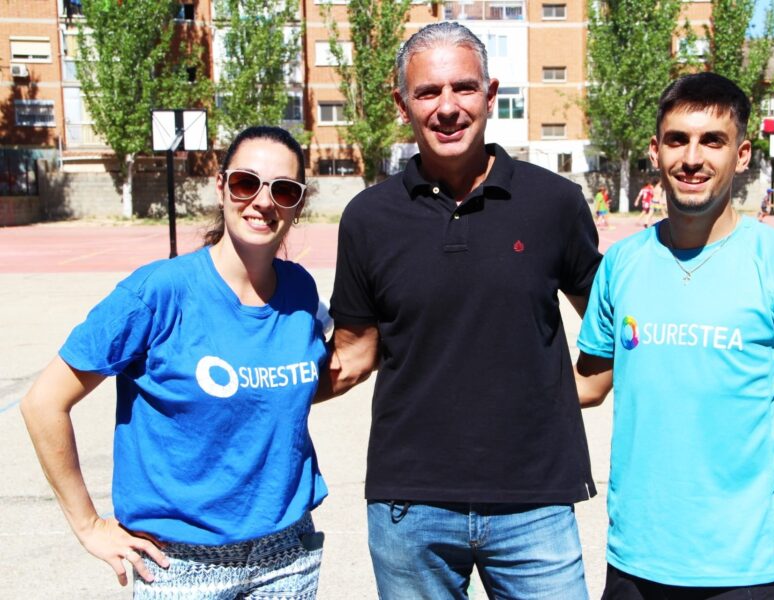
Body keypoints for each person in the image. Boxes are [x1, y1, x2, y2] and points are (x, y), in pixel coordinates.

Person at [320, 21, 601, 599]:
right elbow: (354, 351)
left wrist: (586, 384)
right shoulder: (369, 219)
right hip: (410, 506)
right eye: (427, 92)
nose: (447, 107)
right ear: (403, 104)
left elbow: (607, 317)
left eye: (463, 88)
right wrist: (261, 383)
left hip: (536, 501)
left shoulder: (554, 203)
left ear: (490, 95)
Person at [574, 72, 774, 600]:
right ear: (656, 152)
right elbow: (587, 385)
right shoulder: (622, 264)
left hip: (745, 570)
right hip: (635, 561)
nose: (692, 157)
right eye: (678, 140)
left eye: (713, 141)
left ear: (742, 154)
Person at [20, 126, 328, 598]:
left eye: (283, 190)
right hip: (182, 565)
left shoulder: (300, 291)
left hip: (287, 558)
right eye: (247, 183)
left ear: (298, 205)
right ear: (221, 186)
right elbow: (43, 404)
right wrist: (88, 525)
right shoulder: (157, 293)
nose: (264, 202)